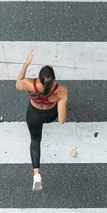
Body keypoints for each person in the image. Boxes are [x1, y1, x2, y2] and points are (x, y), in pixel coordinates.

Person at [16, 49, 68, 191]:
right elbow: (62, 120)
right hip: (50, 115)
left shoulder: (28, 84)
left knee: (35, 140)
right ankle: (36, 176)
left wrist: (26, 64)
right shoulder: (61, 90)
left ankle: (36, 176)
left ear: (38, 78)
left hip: (34, 115)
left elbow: (17, 83)